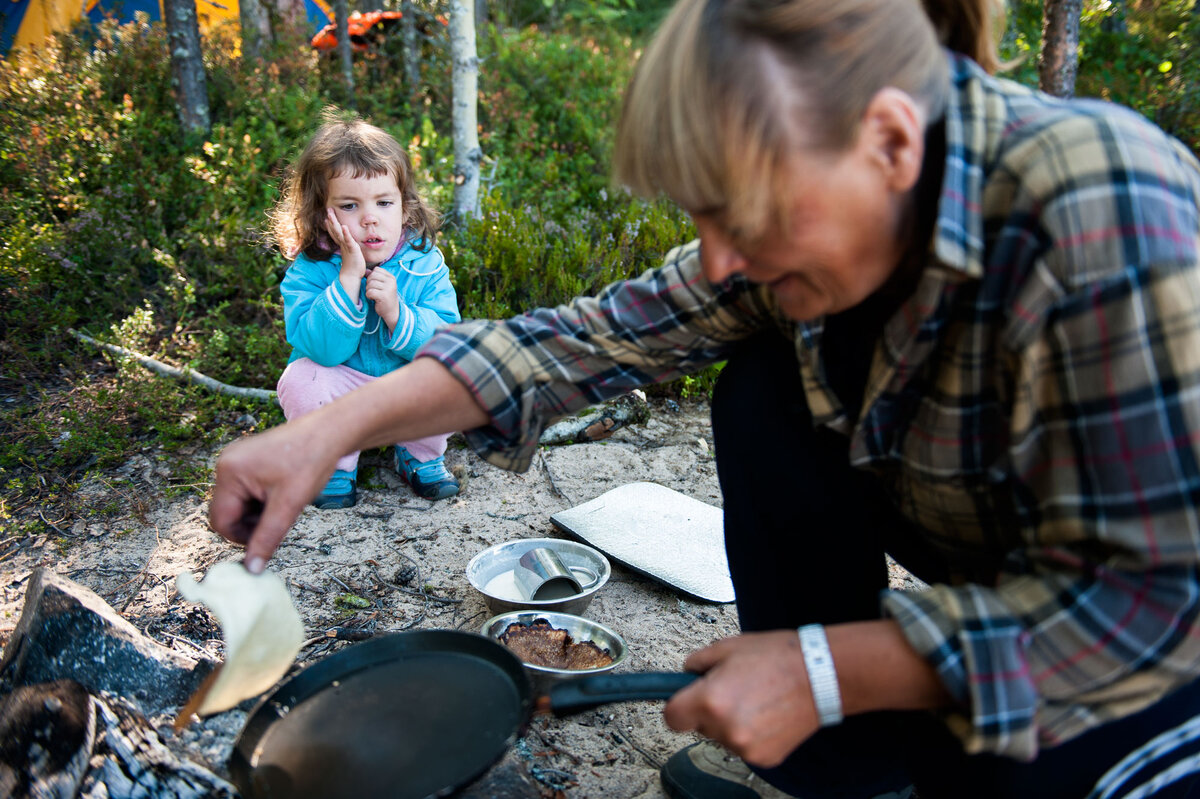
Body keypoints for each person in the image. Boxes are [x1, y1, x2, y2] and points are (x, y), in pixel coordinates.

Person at [211, 1, 1200, 796]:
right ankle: (840, 768)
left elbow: (1157, 602)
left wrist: (826, 669)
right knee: (764, 387)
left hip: (1148, 647)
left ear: (892, 142)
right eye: (702, 217)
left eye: (744, 216)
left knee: (1019, 769)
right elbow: (583, 338)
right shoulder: (812, 217)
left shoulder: (1103, 221)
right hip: (1000, 564)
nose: (723, 259)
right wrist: (329, 427)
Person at [268, 114, 461, 508]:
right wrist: (348, 278)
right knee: (301, 379)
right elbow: (321, 351)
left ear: (405, 210)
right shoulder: (310, 270)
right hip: (344, 388)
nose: (370, 217)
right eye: (350, 205)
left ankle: (419, 453)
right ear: (322, 213)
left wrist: (397, 313)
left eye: (384, 202)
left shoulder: (423, 264)